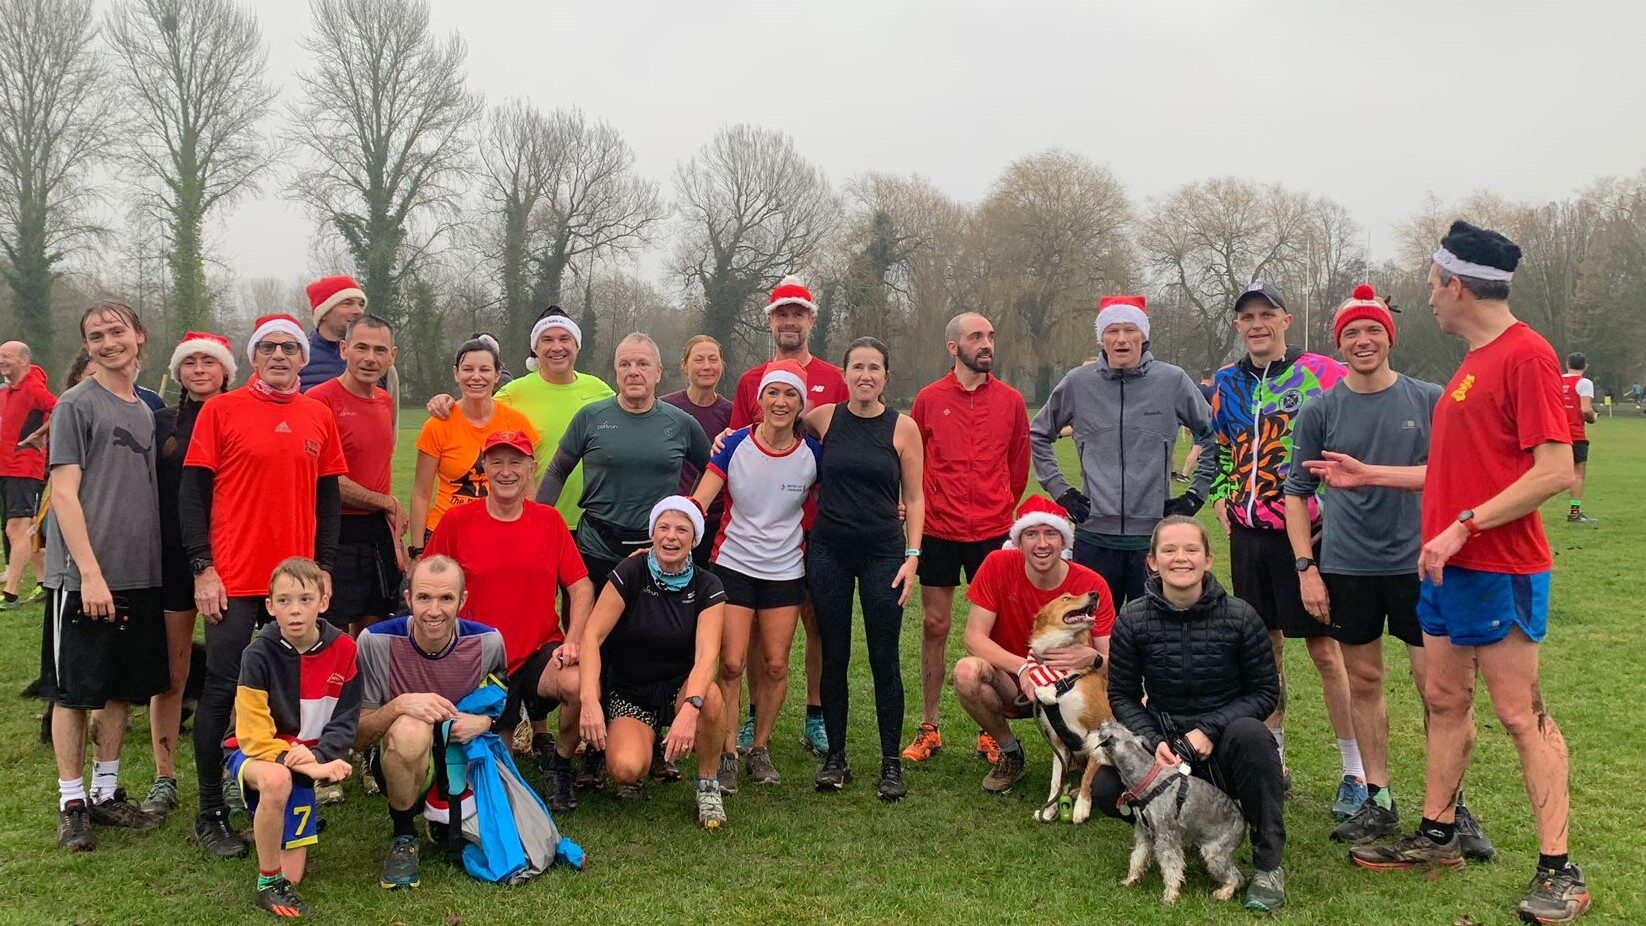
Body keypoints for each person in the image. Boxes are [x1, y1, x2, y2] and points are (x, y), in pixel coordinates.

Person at [1321, 222, 1588, 924]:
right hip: (1446, 570)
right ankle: (1438, 833)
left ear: (1458, 286)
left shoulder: (1525, 356)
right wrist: (1368, 474)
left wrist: (1464, 525)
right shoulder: (1472, 362)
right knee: (1442, 701)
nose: (1430, 300)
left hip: (1499, 569)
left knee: (1518, 716)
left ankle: (1561, 869)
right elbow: (1454, 472)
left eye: (1434, 287)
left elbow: (1556, 470)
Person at [1284, 285, 1493, 855]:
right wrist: (1307, 567)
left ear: (1389, 337)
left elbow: (1458, 474)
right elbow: (1297, 492)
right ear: (1340, 344)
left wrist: (1372, 473)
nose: (1362, 340)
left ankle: (1449, 804)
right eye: (1351, 333)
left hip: (1423, 567)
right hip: (1348, 569)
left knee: (1439, 692)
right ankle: (1378, 798)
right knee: (1367, 682)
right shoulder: (1321, 410)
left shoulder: (1429, 399)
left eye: (1372, 329)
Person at [182, 312, 347, 858]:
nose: (279, 356)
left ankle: (282, 785)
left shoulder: (317, 413)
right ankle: (210, 809)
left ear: (303, 358)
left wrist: (322, 565)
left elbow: (328, 497)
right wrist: (203, 566)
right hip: (234, 577)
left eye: (290, 349)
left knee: (289, 693)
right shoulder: (220, 410)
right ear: (254, 357)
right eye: (269, 348)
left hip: (295, 584)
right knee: (223, 687)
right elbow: (192, 493)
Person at [1207, 280, 1358, 808]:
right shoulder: (1226, 381)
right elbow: (1224, 446)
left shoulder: (1323, 373)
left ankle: (1355, 773)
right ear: (1237, 326)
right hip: (1249, 538)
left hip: (1308, 535)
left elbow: (1352, 433)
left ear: (1286, 319)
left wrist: (1334, 508)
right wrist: (1226, 496)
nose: (1257, 324)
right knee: (1261, 650)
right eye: (1247, 317)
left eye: (1267, 314)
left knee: (1325, 651)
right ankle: (1274, 760)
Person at [1091, 515, 1287, 912]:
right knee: (1107, 790)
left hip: (1227, 737)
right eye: (1169, 550)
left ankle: (1268, 866)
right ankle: (1181, 828)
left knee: (1254, 737)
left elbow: (1266, 692)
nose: (1181, 558)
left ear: (1209, 559)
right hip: (1165, 739)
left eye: (1191, 550)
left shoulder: (1241, 616)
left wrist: (1210, 730)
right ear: (1152, 561)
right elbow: (1123, 694)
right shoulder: (1133, 618)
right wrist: (1153, 740)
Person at [42, 301, 170, 850]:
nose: (107, 341)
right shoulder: (76, 404)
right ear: (87, 347)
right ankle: (71, 802)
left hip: (140, 575)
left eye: (116, 331)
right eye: (95, 335)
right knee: (74, 693)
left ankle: (106, 793)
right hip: (84, 578)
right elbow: (65, 494)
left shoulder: (143, 408)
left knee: (118, 690)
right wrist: (89, 573)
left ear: (139, 337)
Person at [424, 430, 593, 812]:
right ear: (484, 468)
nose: (506, 471)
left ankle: (560, 763)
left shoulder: (549, 522)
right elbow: (428, 578)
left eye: (515, 462)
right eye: (496, 461)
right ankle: (505, 740)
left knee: (578, 682)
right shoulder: (457, 521)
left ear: (531, 468)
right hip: (477, 658)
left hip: (537, 651)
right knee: (496, 775)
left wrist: (574, 639)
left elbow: (581, 587)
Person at [727, 276, 850, 759]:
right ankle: (755, 715)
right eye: (782, 314)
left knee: (817, 621)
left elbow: (846, 447)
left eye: (799, 313)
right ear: (771, 321)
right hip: (763, 527)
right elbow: (740, 443)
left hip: (821, 524)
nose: (790, 321)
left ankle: (815, 713)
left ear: (811, 320)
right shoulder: (750, 380)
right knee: (759, 628)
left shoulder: (833, 379)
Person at [900, 312, 1029, 765]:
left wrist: (998, 505)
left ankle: (990, 730)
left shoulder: (1011, 401)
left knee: (991, 632)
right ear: (953, 347)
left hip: (992, 531)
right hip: (938, 529)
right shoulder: (929, 399)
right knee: (935, 626)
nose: (987, 343)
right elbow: (913, 462)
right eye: (977, 337)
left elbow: (1017, 467)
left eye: (991, 335)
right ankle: (929, 725)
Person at [1031, 295, 1216, 608]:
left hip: (1154, 538)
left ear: (1143, 335)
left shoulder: (1172, 381)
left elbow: (1212, 436)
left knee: (1155, 632)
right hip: (1094, 536)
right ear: (1101, 338)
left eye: (1129, 330)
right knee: (1093, 630)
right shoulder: (1078, 383)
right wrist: (1062, 492)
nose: (1120, 340)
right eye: (1111, 331)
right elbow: (1038, 434)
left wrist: (1195, 494)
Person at [690, 359, 821, 791]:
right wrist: (668, 536)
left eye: (790, 395)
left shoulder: (813, 452)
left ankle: (760, 747)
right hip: (734, 564)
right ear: (759, 400)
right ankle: (728, 751)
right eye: (773, 394)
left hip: (785, 568)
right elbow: (700, 500)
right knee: (730, 663)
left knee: (776, 664)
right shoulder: (733, 445)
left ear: (801, 404)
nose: (780, 403)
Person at [807, 337, 924, 800]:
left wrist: (912, 557)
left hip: (883, 555)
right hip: (829, 551)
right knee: (834, 655)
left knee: (883, 657)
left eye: (874, 368)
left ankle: (891, 763)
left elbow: (915, 497)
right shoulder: (823, 418)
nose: (865, 376)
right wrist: (727, 438)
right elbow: (772, 432)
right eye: (857, 367)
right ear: (845, 373)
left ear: (885, 378)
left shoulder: (903, 428)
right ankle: (836, 758)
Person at [353, 554, 508, 891]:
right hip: (400, 755)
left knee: (497, 843)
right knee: (411, 728)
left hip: (461, 759)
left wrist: (483, 722)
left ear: (463, 601)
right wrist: (400, 705)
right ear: (408, 597)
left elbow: (499, 709)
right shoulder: (375, 642)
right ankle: (403, 834)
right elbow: (357, 737)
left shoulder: (489, 643)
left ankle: (448, 814)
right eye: (423, 597)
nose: (434, 610)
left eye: (446, 598)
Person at [578, 497, 728, 829]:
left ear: (694, 539)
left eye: (681, 529)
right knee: (626, 770)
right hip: (632, 689)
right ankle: (646, 746)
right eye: (663, 527)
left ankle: (708, 785)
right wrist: (589, 700)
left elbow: (707, 655)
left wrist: (690, 709)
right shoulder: (630, 571)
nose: (671, 537)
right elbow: (591, 637)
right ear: (653, 532)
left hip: (679, 687)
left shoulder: (708, 585)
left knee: (711, 698)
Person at [950, 496, 1114, 791]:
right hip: (1014, 687)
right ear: (1019, 540)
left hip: (1069, 693)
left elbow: (1113, 664)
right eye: (1031, 534)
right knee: (966, 672)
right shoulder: (997, 565)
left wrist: (1093, 658)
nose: (1041, 543)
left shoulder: (1091, 584)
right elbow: (973, 638)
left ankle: (1081, 750)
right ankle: (1010, 751)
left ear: (1063, 541)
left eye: (1051, 533)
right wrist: (1025, 669)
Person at [227, 557, 360, 918]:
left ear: (323, 602)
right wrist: (300, 763)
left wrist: (317, 760)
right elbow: (252, 735)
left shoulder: (346, 649)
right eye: (283, 601)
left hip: (308, 759)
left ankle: (275, 846)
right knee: (277, 779)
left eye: (305, 599)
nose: (295, 611)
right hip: (256, 753)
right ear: (270, 607)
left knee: (295, 876)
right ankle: (267, 883)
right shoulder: (256, 654)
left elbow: (346, 720)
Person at [143, 331, 236, 816]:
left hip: (235, 557)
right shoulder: (160, 424)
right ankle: (164, 776)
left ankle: (235, 768)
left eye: (210, 362)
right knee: (173, 672)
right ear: (179, 371)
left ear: (226, 371)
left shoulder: (241, 413)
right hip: (176, 559)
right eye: (191, 363)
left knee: (235, 672)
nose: (200, 370)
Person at [536, 332, 710, 589]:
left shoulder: (681, 423)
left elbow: (711, 469)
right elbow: (558, 470)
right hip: (597, 546)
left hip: (658, 550)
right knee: (585, 626)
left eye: (643, 364)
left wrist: (690, 508)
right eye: (625, 365)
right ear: (616, 372)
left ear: (658, 372)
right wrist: (538, 523)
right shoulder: (591, 417)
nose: (633, 372)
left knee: (649, 629)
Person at [428, 308, 614, 531]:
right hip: (534, 518)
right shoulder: (513, 393)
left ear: (577, 345)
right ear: (536, 348)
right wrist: (444, 401)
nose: (557, 347)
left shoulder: (600, 390)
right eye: (547, 340)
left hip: (592, 522)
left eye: (565, 338)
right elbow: (475, 410)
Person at [308, 315, 405, 633]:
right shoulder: (319, 402)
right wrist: (387, 503)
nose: (369, 358)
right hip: (337, 531)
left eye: (379, 350)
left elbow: (380, 468)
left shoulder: (385, 401)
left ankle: (366, 685)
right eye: (361, 347)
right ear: (343, 349)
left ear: (392, 355)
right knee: (332, 631)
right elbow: (327, 480)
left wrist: (391, 530)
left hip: (376, 533)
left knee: (374, 630)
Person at [409, 338, 538, 546]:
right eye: (468, 369)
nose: (476, 377)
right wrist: (416, 550)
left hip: (501, 530)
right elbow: (421, 494)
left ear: (497, 375)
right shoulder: (437, 424)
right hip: (446, 532)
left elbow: (528, 489)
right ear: (456, 373)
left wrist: (530, 534)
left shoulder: (516, 422)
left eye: (485, 370)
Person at [660, 335, 733, 568]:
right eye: (699, 359)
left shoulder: (731, 413)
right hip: (671, 519)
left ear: (722, 365)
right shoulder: (664, 408)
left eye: (713, 359)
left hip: (715, 520)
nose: (707, 366)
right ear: (685, 365)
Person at [0, 339, 54, 609]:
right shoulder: (7, 391)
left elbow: (62, 408)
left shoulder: (34, 387)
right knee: (27, 527)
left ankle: (10, 594)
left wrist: (39, 435)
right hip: (5, 468)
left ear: (23, 360)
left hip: (24, 468)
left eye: (7, 356)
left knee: (16, 528)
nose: (1, 361)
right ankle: (43, 582)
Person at [297, 275, 365, 390]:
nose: (358, 311)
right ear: (323, 313)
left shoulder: (375, 357)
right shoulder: (297, 358)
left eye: (361, 304)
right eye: (347, 303)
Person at [1560, 352, 1598, 524]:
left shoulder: (1556, 380)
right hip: (1574, 434)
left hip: (1555, 433)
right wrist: (1594, 417)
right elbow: (1585, 410)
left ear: (1567, 364)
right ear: (1585, 366)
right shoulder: (1584, 383)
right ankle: (1575, 513)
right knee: (1578, 473)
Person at [1176, 370, 1216, 482]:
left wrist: (1187, 424)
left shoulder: (1195, 388)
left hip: (1193, 421)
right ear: (1211, 377)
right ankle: (1184, 474)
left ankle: (1204, 471)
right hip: (1204, 423)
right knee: (1197, 448)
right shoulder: (1210, 391)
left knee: (1199, 447)